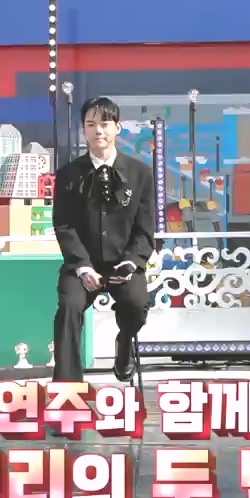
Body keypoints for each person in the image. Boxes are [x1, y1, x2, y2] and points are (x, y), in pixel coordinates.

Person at [51, 96, 156, 383]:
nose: (98, 130)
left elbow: (145, 229)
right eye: (91, 124)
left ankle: (124, 344)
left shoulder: (140, 173)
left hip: (124, 263)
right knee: (68, 309)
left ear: (117, 128)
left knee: (137, 304)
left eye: (105, 123)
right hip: (83, 264)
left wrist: (132, 262)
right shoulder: (68, 175)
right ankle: (68, 388)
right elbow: (63, 225)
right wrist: (82, 266)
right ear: (83, 130)